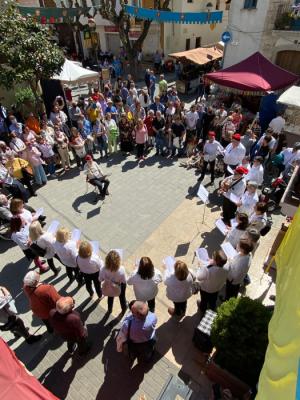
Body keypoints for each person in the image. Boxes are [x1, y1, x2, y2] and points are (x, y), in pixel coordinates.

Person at [99, 250, 127, 314]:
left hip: (109, 286)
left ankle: (109, 310)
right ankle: (123, 309)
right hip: (119, 285)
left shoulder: (103, 269)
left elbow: (100, 279)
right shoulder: (121, 269)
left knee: (110, 297)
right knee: (122, 297)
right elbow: (124, 281)